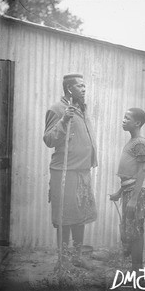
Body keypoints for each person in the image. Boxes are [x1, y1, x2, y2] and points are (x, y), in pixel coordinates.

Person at [43, 73, 97, 267]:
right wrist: (64, 120)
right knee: (65, 217)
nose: (84, 89)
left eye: (85, 86)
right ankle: (63, 260)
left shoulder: (81, 108)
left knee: (80, 216)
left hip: (81, 171)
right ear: (69, 89)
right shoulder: (57, 109)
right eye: (80, 86)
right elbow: (49, 139)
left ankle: (77, 258)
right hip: (64, 171)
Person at [109, 107, 145, 275]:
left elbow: (142, 172)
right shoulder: (132, 141)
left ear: (137, 123)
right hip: (129, 190)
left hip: (136, 193)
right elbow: (131, 173)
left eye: (127, 118)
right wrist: (119, 193)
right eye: (123, 117)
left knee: (136, 232)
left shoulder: (140, 143)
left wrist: (134, 199)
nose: (123, 120)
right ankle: (134, 267)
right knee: (131, 231)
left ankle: (137, 270)